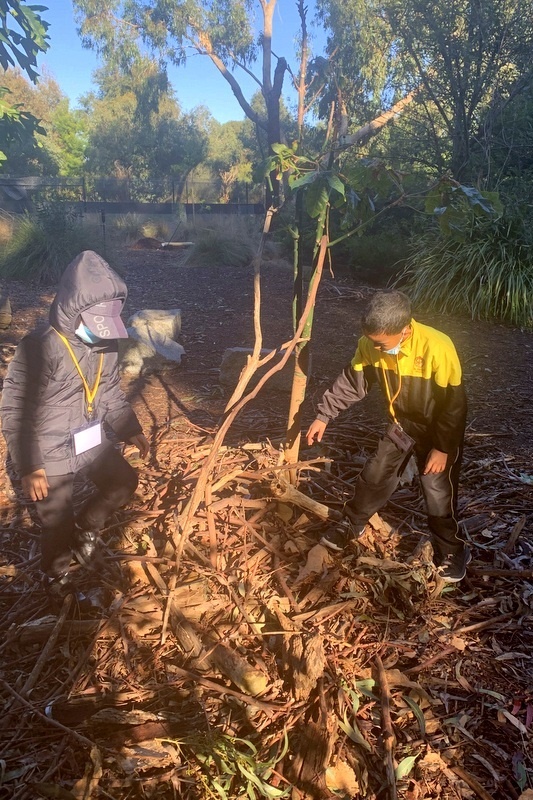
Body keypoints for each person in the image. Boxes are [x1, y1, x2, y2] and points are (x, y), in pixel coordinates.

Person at [0, 250, 149, 592]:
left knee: (124, 481)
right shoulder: (39, 347)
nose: (102, 334)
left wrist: (130, 428)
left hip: (88, 437)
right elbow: (15, 411)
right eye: (96, 324)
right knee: (56, 521)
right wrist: (30, 466)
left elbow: (109, 389)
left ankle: (88, 526)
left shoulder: (106, 344)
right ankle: (57, 578)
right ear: (73, 310)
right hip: (48, 447)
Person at [306, 290, 469, 582]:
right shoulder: (370, 345)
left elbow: (454, 405)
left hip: (437, 432)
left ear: (405, 331)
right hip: (401, 425)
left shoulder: (438, 347)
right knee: (375, 473)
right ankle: (351, 525)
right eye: (371, 341)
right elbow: (352, 382)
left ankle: (452, 549)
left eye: (381, 344)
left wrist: (443, 448)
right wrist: (324, 415)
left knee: (437, 492)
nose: (375, 348)